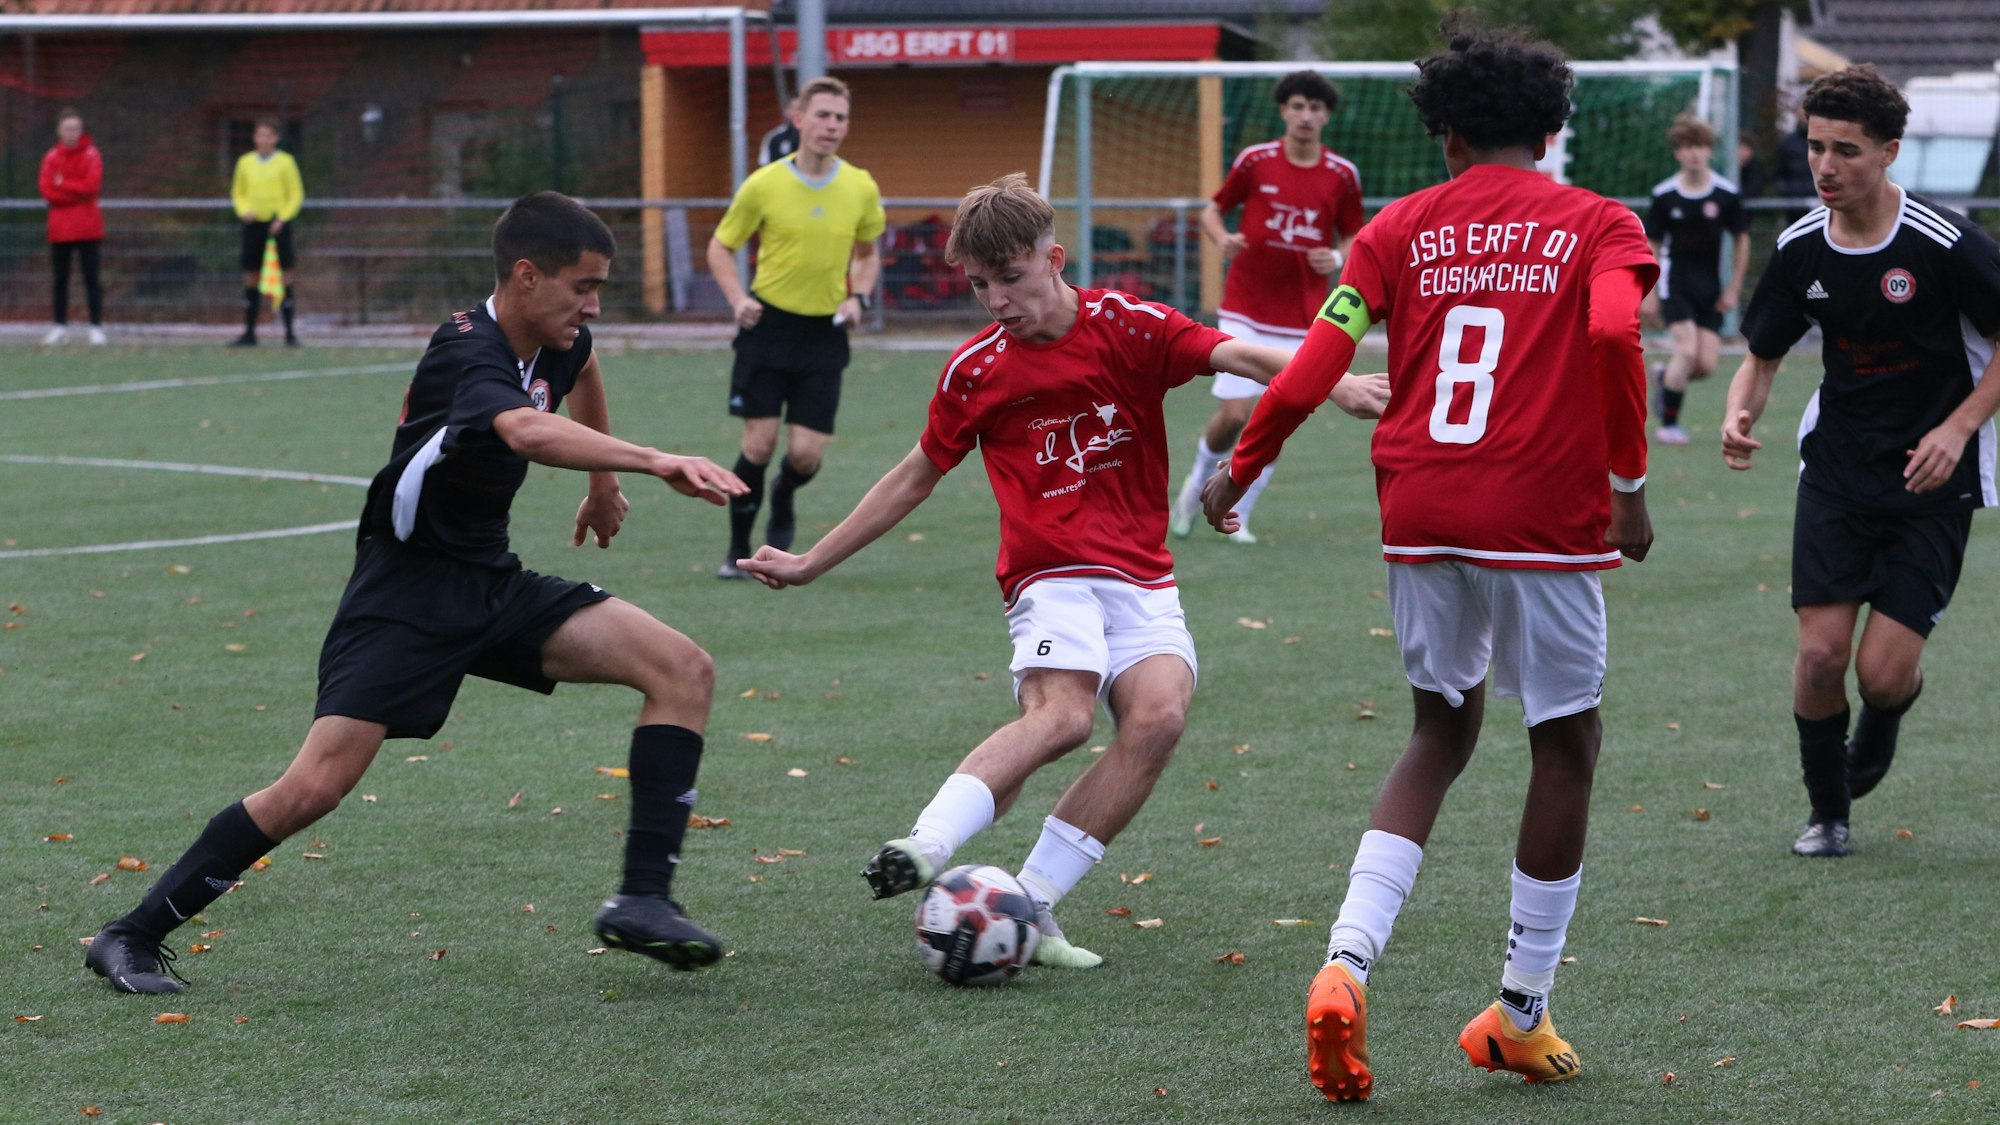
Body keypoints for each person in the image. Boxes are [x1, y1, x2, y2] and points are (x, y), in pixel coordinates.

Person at [84, 192, 747, 994]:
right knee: (314, 786)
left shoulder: (559, 338)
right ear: (526, 277)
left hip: (490, 581)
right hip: (404, 594)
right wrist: (652, 459)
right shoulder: (464, 349)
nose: (593, 306)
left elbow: (584, 364)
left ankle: (643, 899)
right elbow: (525, 430)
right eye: (582, 287)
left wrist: (603, 484)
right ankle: (130, 933)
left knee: (683, 667)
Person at [739, 172, 1387, 968]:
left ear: (1054, 258)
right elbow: (914, 475)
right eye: (979, 285)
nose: (996, 300)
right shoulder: (976, 369)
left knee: (1158, 719)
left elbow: (1238, 352)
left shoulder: (1129, 325)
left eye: (1009, 278)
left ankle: (1033, 903)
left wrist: (1333, 379)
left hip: (1142, 574)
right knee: (1065, 717)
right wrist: (811, 561)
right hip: (1048, 573)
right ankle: (925, 843)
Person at [1203, 21, 1656, 1099]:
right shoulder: (1599, 221)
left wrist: (1237, 468)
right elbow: (1610, 335)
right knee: (1564, 743)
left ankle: (1344, 962)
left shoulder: (1395, 226)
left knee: (1437, 732)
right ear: (1550, 134)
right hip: (1541, 516)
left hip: (1420, 501)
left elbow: (1317, 355)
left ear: (1445, 136)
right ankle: (1519, 1011)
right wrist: (1629, 490)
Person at [1721, 65, 2000, 859]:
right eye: (1816, 147)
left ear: (1889, 153)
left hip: (1932, 477)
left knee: (1881, 673)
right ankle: (1828, 810)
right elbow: (1762, 358)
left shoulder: (1947, 243)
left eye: (1846, 150)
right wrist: (1741, 412)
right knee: (1819, 654)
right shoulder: (1800, 247)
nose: (1825, 166)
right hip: (1838, 470)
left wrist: (1958, 428)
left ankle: (1884, 715)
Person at [1169, 70, 1365, 545]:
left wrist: (1337, 256)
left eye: (1315, 108)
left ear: (1326, 116)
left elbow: (1353, 234)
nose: (1306, 116)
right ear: (1283, 111)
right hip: (1245, 308)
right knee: (1236, 416)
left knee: (1278, 417)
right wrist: (1223, 238)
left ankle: (1240, 514)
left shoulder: (1342, 174)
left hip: (1301, 318)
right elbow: (1212, 211)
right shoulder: (1256, 160)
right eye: (1298, 106)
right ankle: (1195, 487)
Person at [707, 75, 884, 579]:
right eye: (823, 115)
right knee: (758, 445)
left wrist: (858, 297)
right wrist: (738, 299)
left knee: (804, 456)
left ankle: (783, 494)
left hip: (824, 335)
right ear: (799, 119)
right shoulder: (764, 184)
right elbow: (721, 246)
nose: (832, 125)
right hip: (768, 328)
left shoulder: (861, 186)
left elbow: (868, 254)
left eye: (840, 118)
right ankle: (737, 550)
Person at [1641, 114, 1750, 445]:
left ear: (1709, 151)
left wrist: (1733, 288)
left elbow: (1742, 239)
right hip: (1674, 284)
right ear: (1678, 152)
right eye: (1688, 147)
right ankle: (1669, 425)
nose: (1694, 153)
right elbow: (1652, 243)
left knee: (1704, 365)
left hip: (1710, 288)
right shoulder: (1664, 195)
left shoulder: (1726, 194)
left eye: (1700, 146)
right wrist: (1648, 291)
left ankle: (1665, 376)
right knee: (1686, 352)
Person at [230, 119, 305, 347]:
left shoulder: (286, 162)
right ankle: (249, 333)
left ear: (275, 138)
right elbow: (238, 193)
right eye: (259, 135)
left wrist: (282, 218)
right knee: (251, 276)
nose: (263, 140)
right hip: (253, 225)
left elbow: (295, 194)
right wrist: (244, 210)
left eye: (268, 135)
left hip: (277, 225)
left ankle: (289, 333)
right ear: (254, 138)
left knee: (285, 276)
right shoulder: (245, 162)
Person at [39, 108, 106, 347]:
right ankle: (60, 326)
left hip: (88, 228)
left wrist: (63, 184)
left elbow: (91, 187)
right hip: (60, 230)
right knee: (60, 280)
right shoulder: (51, 158)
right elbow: (48, 191)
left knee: (91, 279)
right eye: (68, 128)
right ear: (59, 130)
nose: (72, 133)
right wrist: (74, 191)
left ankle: (96, 327)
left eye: (76, 128)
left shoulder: (91, 155)